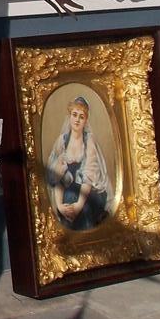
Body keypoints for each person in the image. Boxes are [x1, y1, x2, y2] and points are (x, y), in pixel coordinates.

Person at [45, 95, 111, 231]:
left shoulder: (89, 141)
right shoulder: (62, 141)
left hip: (91, 192)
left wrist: (78, 205)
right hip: (68, 192)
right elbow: (58, 178)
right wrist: (60, 206)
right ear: (69, 117)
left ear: (86, 120)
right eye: (74, 115)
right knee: (67, 200)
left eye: (81, 116)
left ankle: (86, 244)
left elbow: (89, 176)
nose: (77, 119)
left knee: (83, 209)